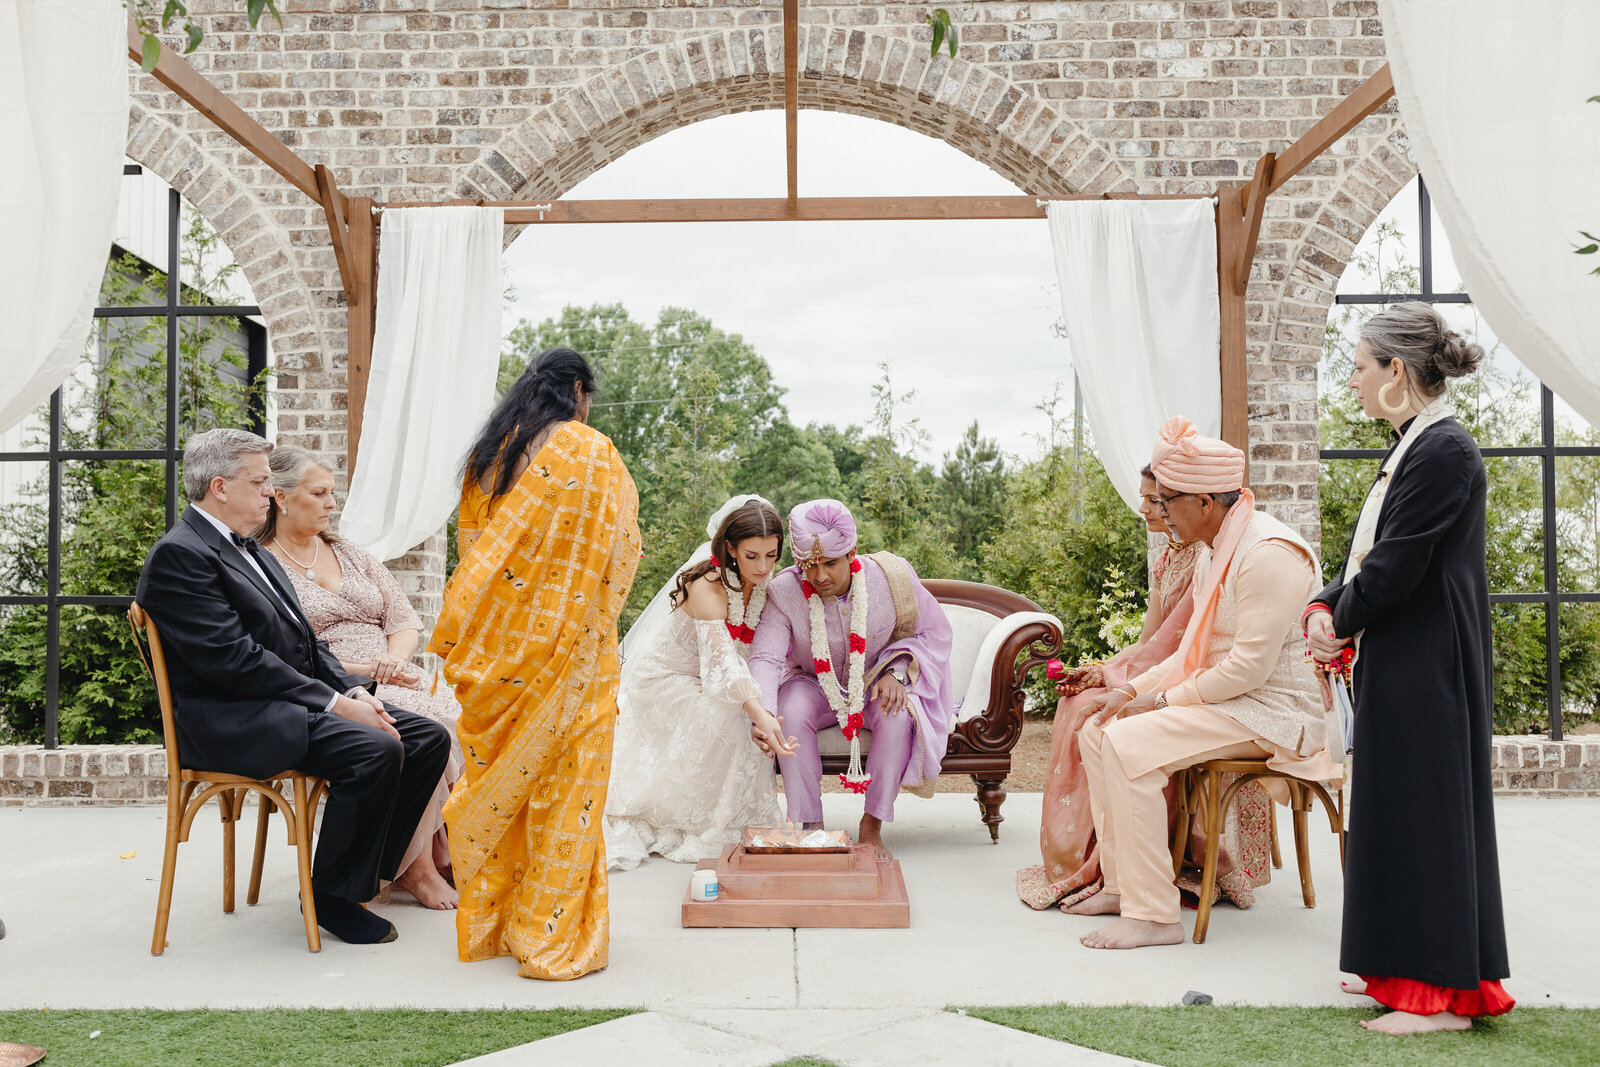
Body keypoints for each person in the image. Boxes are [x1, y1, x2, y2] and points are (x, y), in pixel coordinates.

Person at [136, 429, 451, 945]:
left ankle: (369, 872)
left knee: (426, 736)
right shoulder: (182, 556)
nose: (268, 491)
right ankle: (330, 897)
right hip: (229, 718)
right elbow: (234, 661)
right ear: (220, 486)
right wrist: (333, 703)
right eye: (259, 481)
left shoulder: (246, 545)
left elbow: (302, 640)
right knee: (374, 747)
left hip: (275, 703)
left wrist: (351, 691)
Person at [1304, 302, 1512, 1034]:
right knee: (1397, 813)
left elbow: (1393, 570)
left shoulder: (1443, 450)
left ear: (1397, 370)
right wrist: (1326, 608)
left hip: (1431, 665)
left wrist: (1339, 618)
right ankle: (1400, 971)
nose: (1354, 382)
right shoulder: (1413, 446)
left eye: (1360, 367)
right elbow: (1368, 562)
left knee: (1426, 818)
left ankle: (1440, 994)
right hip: (1406, 659)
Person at [1071, 417, 1333, 949]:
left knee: (1127, 741)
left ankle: (1155, 916)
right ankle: (1123, 887)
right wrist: (1127, 692)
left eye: (1164, 501)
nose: (1156, 512)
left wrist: (1160, 701)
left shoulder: (1268, 553)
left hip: (1273, 710)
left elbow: (1247, 670)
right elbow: (1196, 649)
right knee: (1098, 728)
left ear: (1205, 503)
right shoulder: (1218, 547)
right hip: (1231, 700)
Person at [429, 347, 641, 981]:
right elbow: (619, 550)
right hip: (570, 653)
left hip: (495, 658)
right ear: (577, 390)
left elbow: (478, 562)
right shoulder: (589, 451)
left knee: (506, 789)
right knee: (566, 790)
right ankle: (550, 935)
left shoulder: (487, 458)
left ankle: (497, 925)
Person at [1017, 469, 1274, 914]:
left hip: (1206, 685)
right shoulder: (1170, 558)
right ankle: (1107, 873)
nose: (1146, 510)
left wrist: (1130, 687)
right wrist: (1109, 672)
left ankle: (1148, 879)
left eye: (1157, 501)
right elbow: (1152, 639)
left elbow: (1187, 647)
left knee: (1099, 716)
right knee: (1082, 703)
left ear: (1201, 504)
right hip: (1168, 670)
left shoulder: (1225, 556)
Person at [256, 444, 466, 911]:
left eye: (333, 493)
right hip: (335, 683)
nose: (333, 503)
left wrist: (394, 658)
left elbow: (404, 620)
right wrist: (366, 671)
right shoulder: (264, 567)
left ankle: (457, 853)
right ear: (283, 498)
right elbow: (289, 655)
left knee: (463, 718)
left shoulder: (351, 553)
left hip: (392, 671)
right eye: (320, 493)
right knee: (423, 729)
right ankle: (418, 868)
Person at [746, 499, 954, 855]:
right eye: (809, 565)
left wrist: (895, 671)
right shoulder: (783, 591)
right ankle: (810, 828)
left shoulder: (892, 579)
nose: (820, 576)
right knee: (789, 710)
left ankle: (871, 826)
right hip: (812, 683)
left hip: (874, 680)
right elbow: (765, 656)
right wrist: (763, 714)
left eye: (830, 563)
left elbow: (932, 634)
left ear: (852, 553)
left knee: (897, 711)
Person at [603, 495, 798, 870]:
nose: (763, 566)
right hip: (665, 680)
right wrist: (761, 715)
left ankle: (737, 819)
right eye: (752, 555)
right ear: (729, 548)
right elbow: (723, 663)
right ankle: (705, 824)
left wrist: (763, 711)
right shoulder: (707, 584)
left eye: (772, 555)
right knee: (734, 719)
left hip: (710, 678)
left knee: (745, 717)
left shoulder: (762, 582)